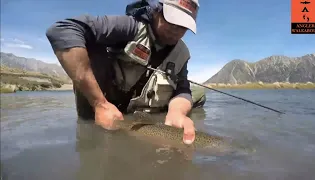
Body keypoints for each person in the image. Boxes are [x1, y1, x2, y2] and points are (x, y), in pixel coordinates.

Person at [45, 0, 205, 145]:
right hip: (106, 98)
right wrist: (99, 103)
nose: (176, 30)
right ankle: (91, 122)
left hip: (139, 108)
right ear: (157, 11)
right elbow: (62, 30)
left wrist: (177, 112)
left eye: (183, 26)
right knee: (90, 47)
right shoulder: (130, 26)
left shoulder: (182, 53)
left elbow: (182, 87)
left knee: (198, 94)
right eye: (172, 20)